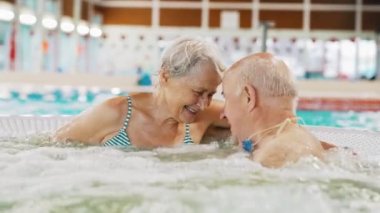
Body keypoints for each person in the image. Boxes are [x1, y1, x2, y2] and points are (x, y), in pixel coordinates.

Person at [54, 37, 229, 148]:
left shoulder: (206, 115)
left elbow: (253, 118)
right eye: (198, 92)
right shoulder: (115, 114)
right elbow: (50, 147)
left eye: (211, 94)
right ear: (165, 75)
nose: (204, 104)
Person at [221, 53, 325, 168]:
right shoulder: (300, 141)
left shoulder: (277, 154)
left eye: (226, 98)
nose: (222, 114)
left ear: (248, 97)